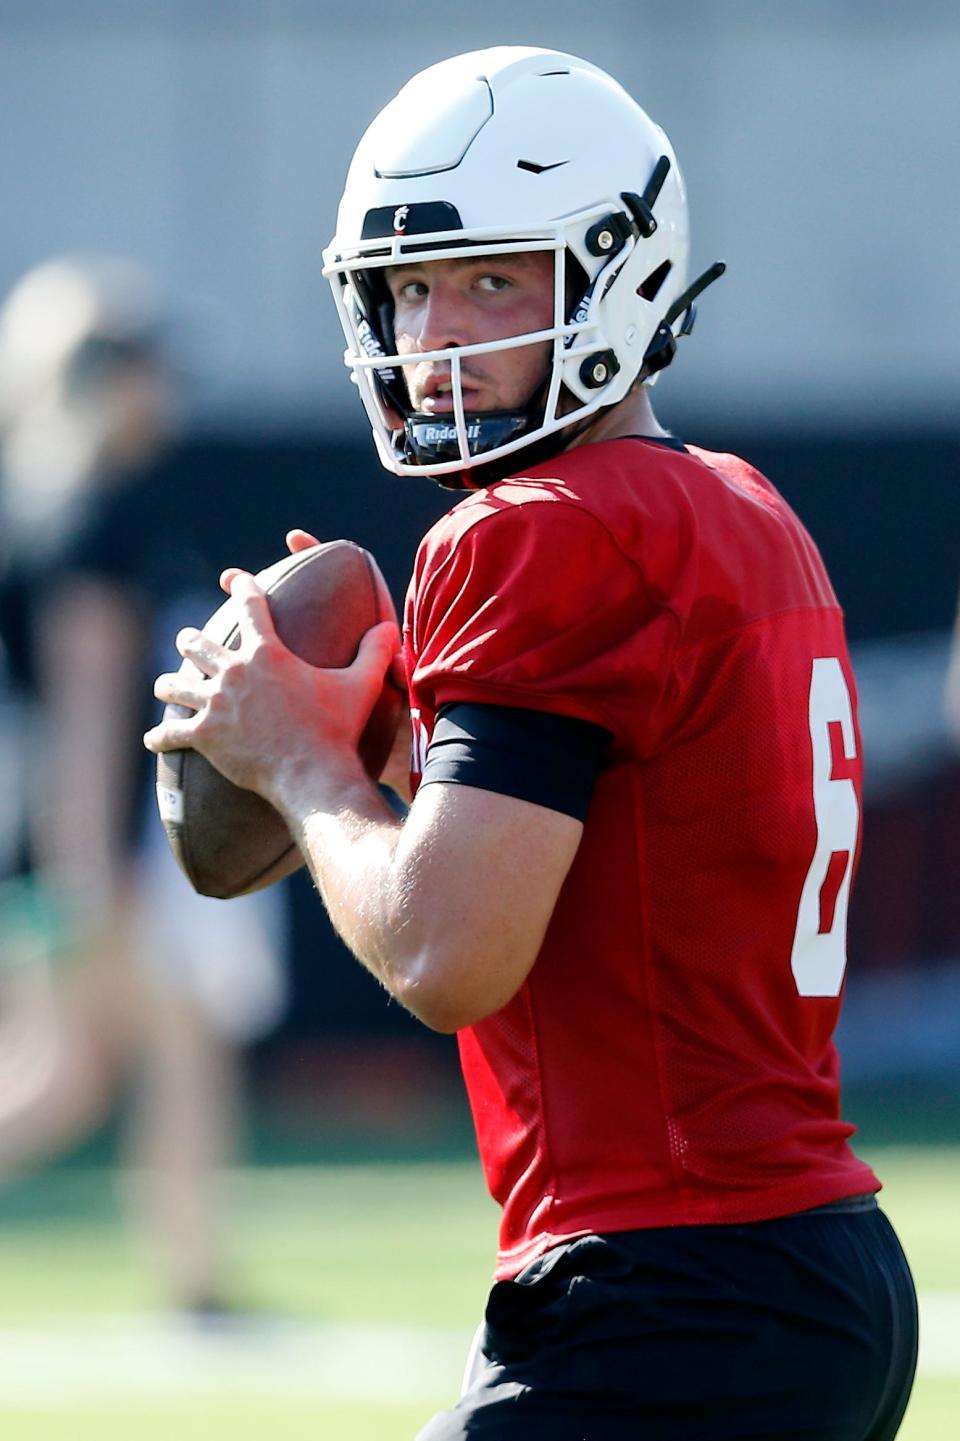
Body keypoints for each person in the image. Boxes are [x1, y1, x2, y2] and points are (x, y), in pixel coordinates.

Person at [145, 47, 918, 1438]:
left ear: (615, 272)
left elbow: (449, 954)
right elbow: (634, 863)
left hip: (670, 1290)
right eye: (408, 288)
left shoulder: (536, 528)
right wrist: (399, 769)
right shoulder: (743, 505)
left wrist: (299, 762)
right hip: (806, 1266)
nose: (434, 332)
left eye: (492, 279)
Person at [0, 256, 287, 1316]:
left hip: (97, 840)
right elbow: (86, 715)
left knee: (64, 1076)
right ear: (104, 374)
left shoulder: (81, 507)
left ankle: (196, 1278)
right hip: (102, 842)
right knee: (161, 1050)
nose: (167, 387)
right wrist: (87, 872)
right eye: (151, 364)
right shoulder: (87, 519)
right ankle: (197, 1284)